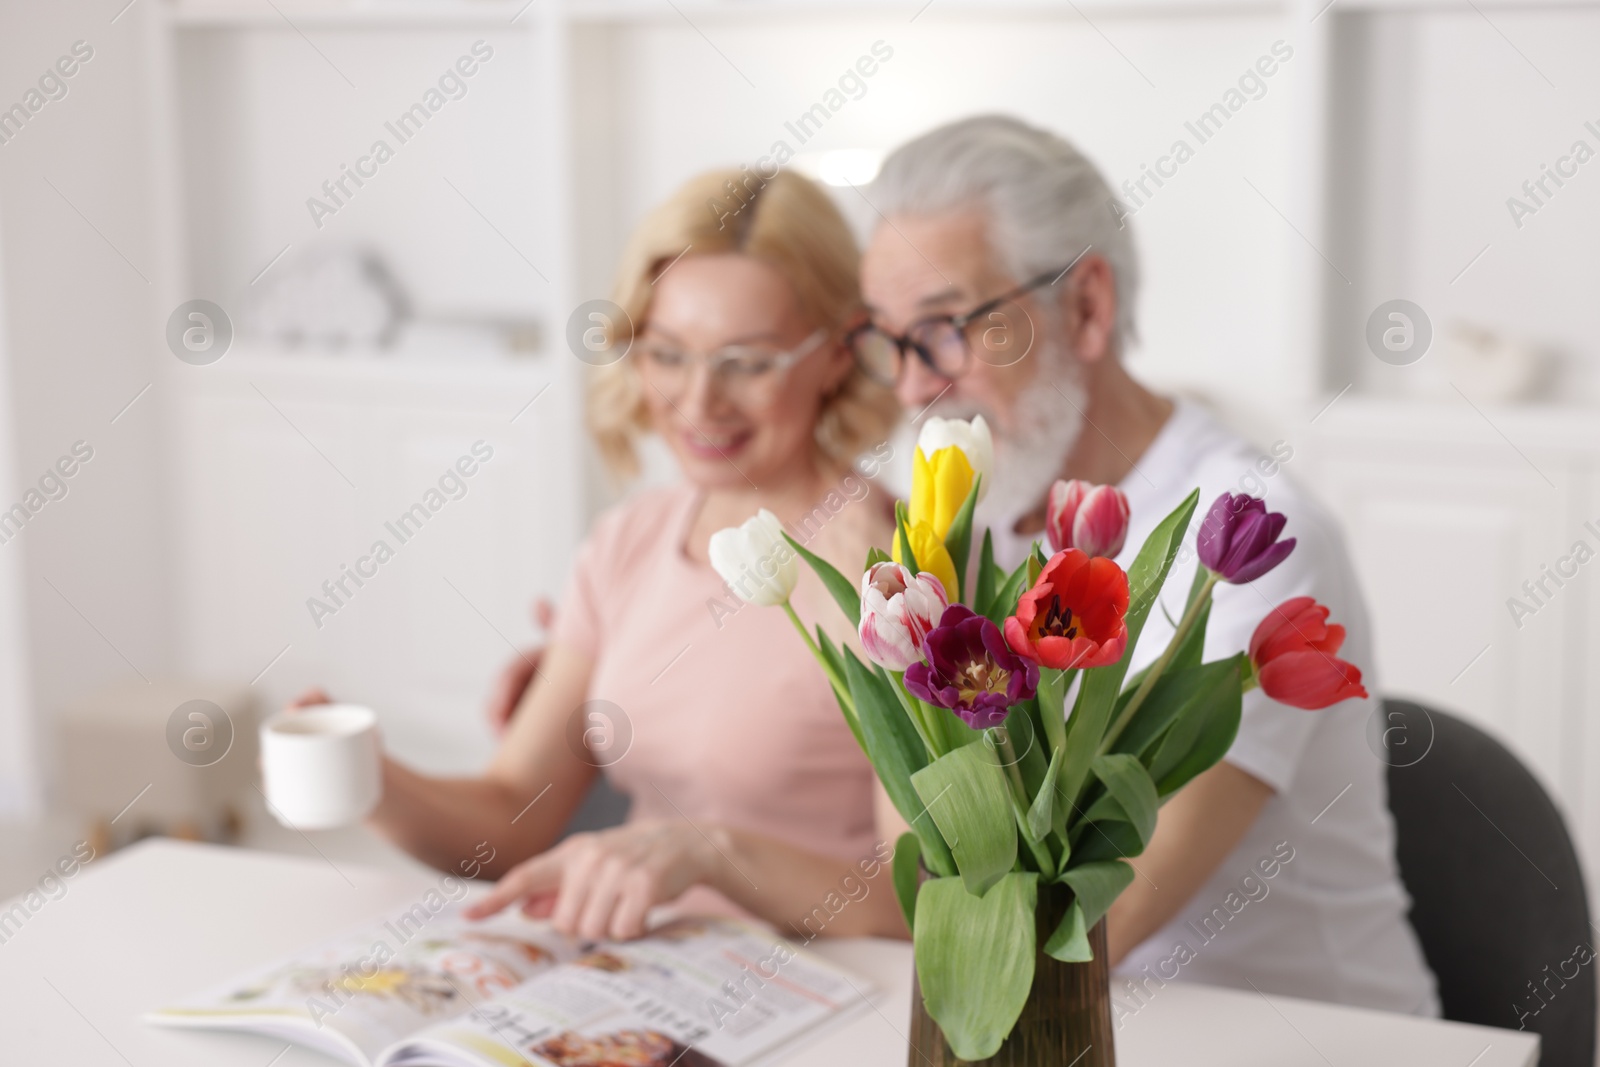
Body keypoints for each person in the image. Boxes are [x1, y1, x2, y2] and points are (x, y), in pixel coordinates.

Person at [848, 114, 1439, 1014]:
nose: (911, 386)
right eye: (889, 340)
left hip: (1308, 1036)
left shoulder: (1247, 536)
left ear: (1085, 307)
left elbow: (1094, 923)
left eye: (943, 328)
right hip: (1089, 1025)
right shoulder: (988, 523)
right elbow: (934, 875)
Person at [294, 168, 908, 943]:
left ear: (839, 353)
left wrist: (711, 852)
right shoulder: (630, 541)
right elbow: (512, 816)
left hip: (830, 993)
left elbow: (920, 906)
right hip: (641, 978)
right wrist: (368, 778)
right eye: (667, 353)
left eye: (746, 361)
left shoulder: (891, 573)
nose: (697, 400)